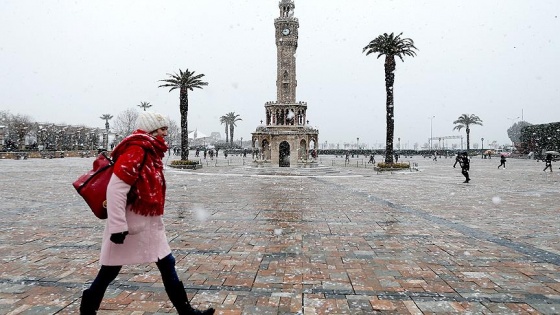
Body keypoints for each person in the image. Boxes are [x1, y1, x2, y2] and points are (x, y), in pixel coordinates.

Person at [79, 112, 214, 315]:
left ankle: (186, 312)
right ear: (151, 130)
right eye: (162, 129)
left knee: (167, 263)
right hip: (131, 224)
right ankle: (87, 309)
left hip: (149, 222)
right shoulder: (136, 150)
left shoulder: (150, 151)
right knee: (109, 270)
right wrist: (117, 226)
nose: (166, 133)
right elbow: (116, 189)